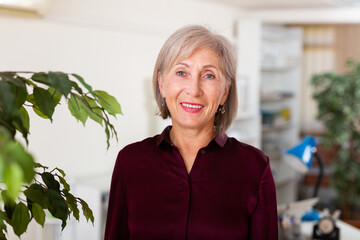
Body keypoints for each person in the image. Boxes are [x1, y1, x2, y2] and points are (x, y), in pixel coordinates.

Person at [104, 25, 278, 240]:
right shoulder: (130, 162)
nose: (194, 90)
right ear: (162, 84)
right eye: (181, 73)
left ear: (225, 92)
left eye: (208, 76)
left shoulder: (255, 167)